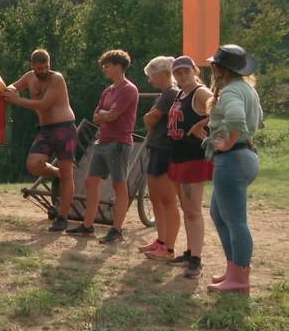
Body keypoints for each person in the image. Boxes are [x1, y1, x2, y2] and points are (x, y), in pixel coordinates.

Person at [204, 45, 263, 293]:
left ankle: (240, 276)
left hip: (232, 158)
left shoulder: (230, 92)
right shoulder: (247, 89)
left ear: (220, 68)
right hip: (245, 155)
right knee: (218, 214)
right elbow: (258, 119)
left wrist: (227, 141)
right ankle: (233, 270)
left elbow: (237, 119)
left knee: (236, 221)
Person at [67, 49, 139, 244]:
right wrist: (104, 115)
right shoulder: (108, 91)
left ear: (118, 66)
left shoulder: (129, 89)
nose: (104, 69)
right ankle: (88, 226)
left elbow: (111, 115)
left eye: (107, 66)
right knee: (91, 182)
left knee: (119, 185)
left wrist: (104, 115)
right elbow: (96, 115)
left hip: (119, 143)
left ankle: (116, 230)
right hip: (103, 141)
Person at [4, 49, 78, 232]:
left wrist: (17, 100)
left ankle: (63, 217)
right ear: (32, 66)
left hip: (64, 128)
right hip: (45, 130)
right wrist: (10, 89)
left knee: (68, 173)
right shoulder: (30, 76)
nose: (43, 71)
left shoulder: (56, 79)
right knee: (33, 164)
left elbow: (45, 104)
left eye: (46, 67)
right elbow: (13, 87)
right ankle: (57, 173)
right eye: (39, 68)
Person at [163, 56, 213, 279]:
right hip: (179, 156)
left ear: (195, 71)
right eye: (178, 73)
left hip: (195, 157)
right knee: (186, 209)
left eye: (185, 71)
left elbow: (221, 110)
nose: (182, 76)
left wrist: (199, 126)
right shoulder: (180, 94)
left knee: (193, 210)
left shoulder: (200, 93)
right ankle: (190, 251)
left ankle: (197, 260)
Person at [138, 56, 181, 261]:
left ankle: (169, 248)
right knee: (155, 198)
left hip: (165, 150)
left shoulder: (171, 93)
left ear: (163, 73)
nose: (149, 80)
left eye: (151, 75)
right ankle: (161, 241)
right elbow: (150, 118)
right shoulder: (165, 94)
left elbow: (150, 118)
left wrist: (150, 119)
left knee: (167, 200)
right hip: (156, 148)